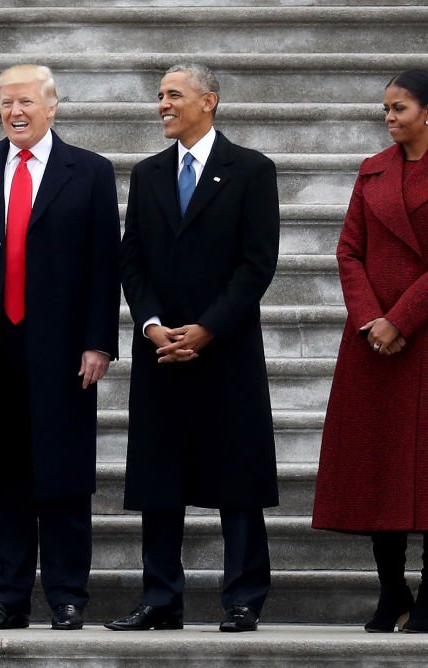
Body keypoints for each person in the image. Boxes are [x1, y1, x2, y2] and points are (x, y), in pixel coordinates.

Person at [0, 64, 120, 631]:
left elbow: (103, 266)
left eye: (26, 102)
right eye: (6, 102)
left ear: (52, 107)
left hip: (62, 351)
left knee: (61, 476)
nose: (15, 112)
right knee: (2, 474)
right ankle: (9, 596)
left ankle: (66, 596)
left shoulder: (89, 171)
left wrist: (97, 343)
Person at [312, 69, 428, 634]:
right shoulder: (372, 171)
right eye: (385, 110)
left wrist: (400, 320)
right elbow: (349, 251)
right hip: (372, 338)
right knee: (378, 462)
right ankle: (391, 589)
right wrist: (372, 318)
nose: (388, 118)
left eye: (398, 108)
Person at [106, 63, 280, 633]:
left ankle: (243, 598)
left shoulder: (251, 170)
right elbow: (131, 259)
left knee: (237, 475)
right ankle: (160, 598)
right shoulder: (150, 173)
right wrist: (153, 324)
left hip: (225, 350)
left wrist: (207, 329)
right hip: (161, 351)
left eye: (173, 95)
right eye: (159, 96)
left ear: (209, 101)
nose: (163, 104)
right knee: (160, 478)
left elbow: (257, 264)